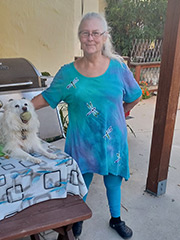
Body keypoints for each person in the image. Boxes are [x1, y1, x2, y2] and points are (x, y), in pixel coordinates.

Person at [32, 12, 142, 239]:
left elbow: (136, 94)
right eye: (85, 33)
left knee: (114, 182)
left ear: (104, 37)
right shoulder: (67, 74)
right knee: (80, 182)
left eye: (95, 33)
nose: (90, 38)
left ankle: (116, 219)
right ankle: (76, 219)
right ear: (80, 37)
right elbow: (45, 98)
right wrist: (17, 110)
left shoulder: (118, 68)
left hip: (113, 141)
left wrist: (121, 113)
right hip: (82, 142)